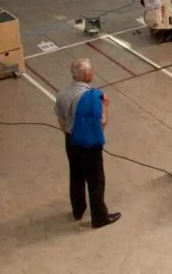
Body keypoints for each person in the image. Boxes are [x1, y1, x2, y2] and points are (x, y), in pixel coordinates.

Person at [54, 59, 120, 229]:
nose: (93, 72)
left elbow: (61, 120)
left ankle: (78, 209)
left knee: (76, 174)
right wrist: (105, 106)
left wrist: (70, 134)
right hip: (89, 144)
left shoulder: (62, 94)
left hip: (71, 140)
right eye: (91, 70)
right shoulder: (93, 96)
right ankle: (99, 217)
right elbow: (102, 123)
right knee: (95, 178)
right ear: (85, 75)